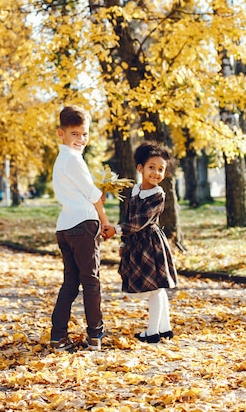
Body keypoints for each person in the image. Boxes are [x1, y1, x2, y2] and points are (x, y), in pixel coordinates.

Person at [50, 105, 112, 352]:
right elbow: (92, 194)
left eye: (84, 134)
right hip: (82, 226)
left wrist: (95, 197)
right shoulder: (73, 159)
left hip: (65, 226)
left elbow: (85, 192)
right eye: (74, 134)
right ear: (61, 134)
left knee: (71, 283)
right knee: (91, 282)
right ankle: (95, 334)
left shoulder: (62, 160)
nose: (81, 139)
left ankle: (58, 336)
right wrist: (105, 221)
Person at [104, 140, 178, 344]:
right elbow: (129, 215)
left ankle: (153, 332)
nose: (156, 173)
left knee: (154, 289)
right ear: (140, 168)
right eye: (151, 167)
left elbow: (140, 220)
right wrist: (122, 243)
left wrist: (117, 230)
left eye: (161, 169)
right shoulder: (136, 190)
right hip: (135, 243)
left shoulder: (158, 194)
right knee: (157, 288)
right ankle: (165, 328)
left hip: (150, 244)